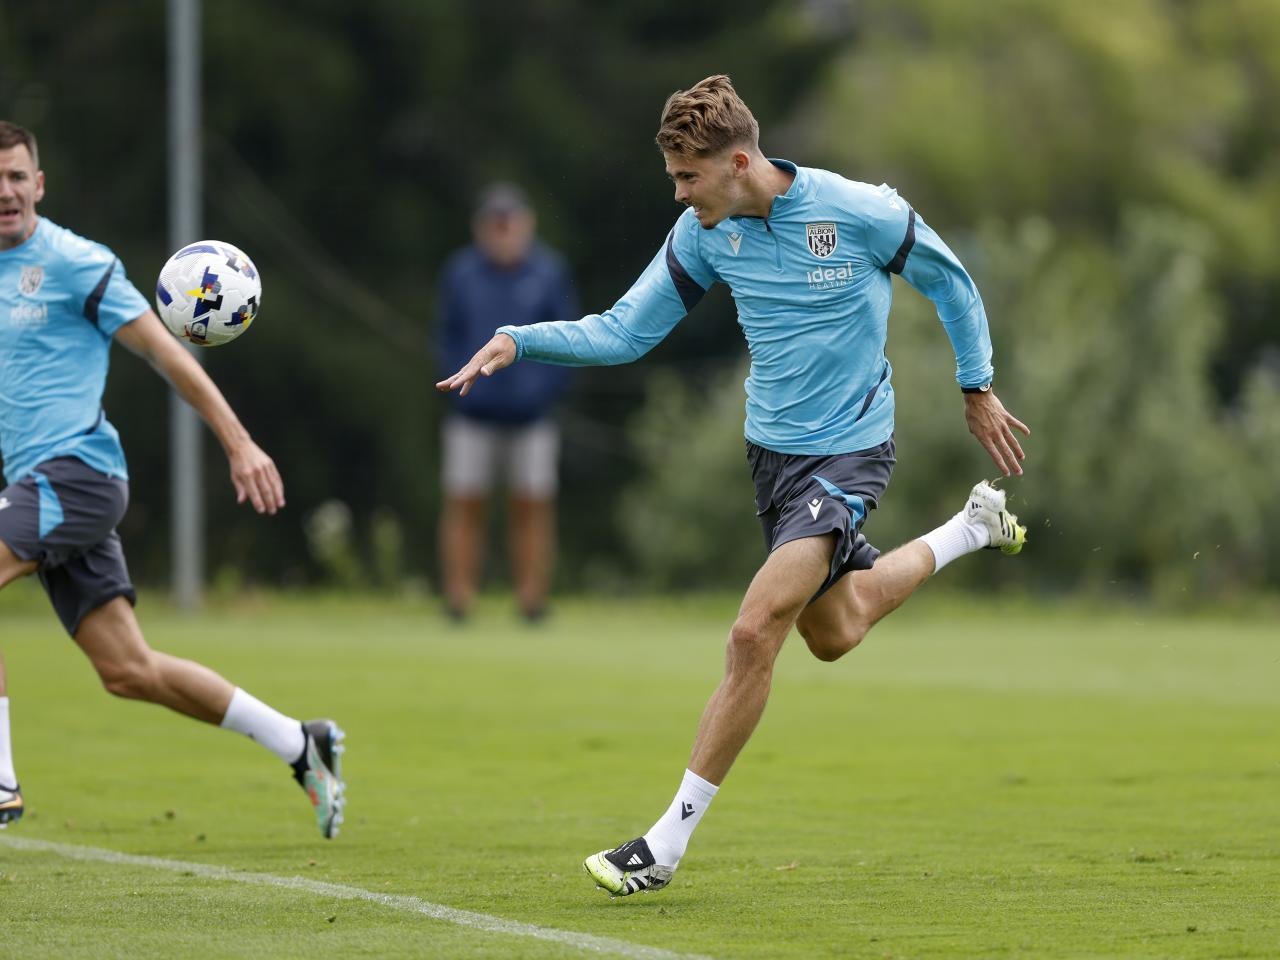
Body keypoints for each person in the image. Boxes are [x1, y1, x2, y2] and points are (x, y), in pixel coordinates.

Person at [438, 76, 1031, 896]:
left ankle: (664, 845)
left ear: (740, 163)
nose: (679, 194)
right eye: (674, 178)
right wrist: (518, 339)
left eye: (689, 177)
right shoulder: (703, 235)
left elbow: (950, 281)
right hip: (773, 462)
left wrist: (977, 386)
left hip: (851, 453)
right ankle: (971, 528)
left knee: (754, 634)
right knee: (837, 630)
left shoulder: (858, 210)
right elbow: (623, 331)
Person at [0, 121, 345, 838]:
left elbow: (166, 354)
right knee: (129, 671)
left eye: (16, 176)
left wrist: (239, 444)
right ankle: (298, 741)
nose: (6, 192)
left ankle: (0, 781)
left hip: (78, 475)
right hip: (36, 488)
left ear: (40, 184)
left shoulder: (75, 262)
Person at [436, 182, 578, 622]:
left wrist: (543, 390)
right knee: (465, 502)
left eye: (509, 223)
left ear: (525, 224)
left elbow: (568, 337)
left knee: (532, 506)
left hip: (532, 417)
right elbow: (446, 337)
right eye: (494, 225)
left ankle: (532, 600)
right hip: (471, 414)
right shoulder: (461, 273)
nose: (502, 233)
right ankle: (459, 599)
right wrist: (460, 383)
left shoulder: (548, 272)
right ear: (480, 228)